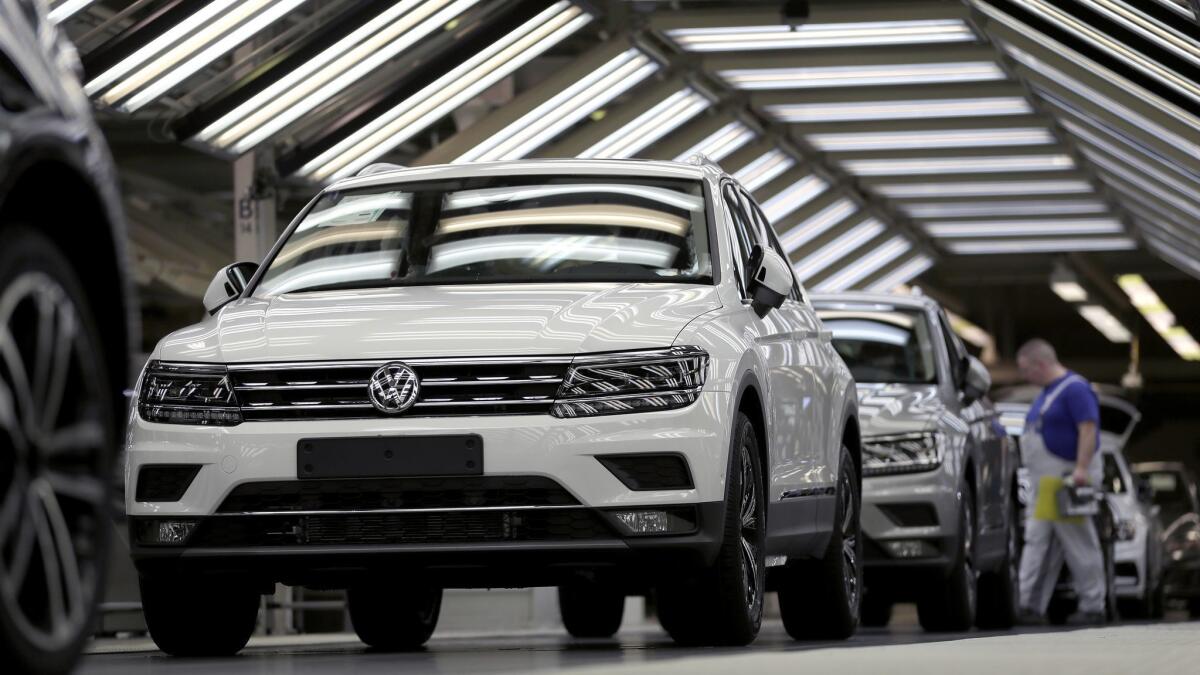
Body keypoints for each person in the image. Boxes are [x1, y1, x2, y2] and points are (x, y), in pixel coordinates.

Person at [1015, 338, 1106, 625]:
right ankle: (1029, 605)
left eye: (1027, 370)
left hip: (1064, 481)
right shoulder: (1047, 393)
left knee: (1078, 542)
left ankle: (1093, 605)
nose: (1025, 377)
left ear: (1041, 364)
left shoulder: (1075, 389)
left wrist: (1081, 469)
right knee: (1040, 541)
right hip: (1046, 483)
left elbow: (1088, 428)